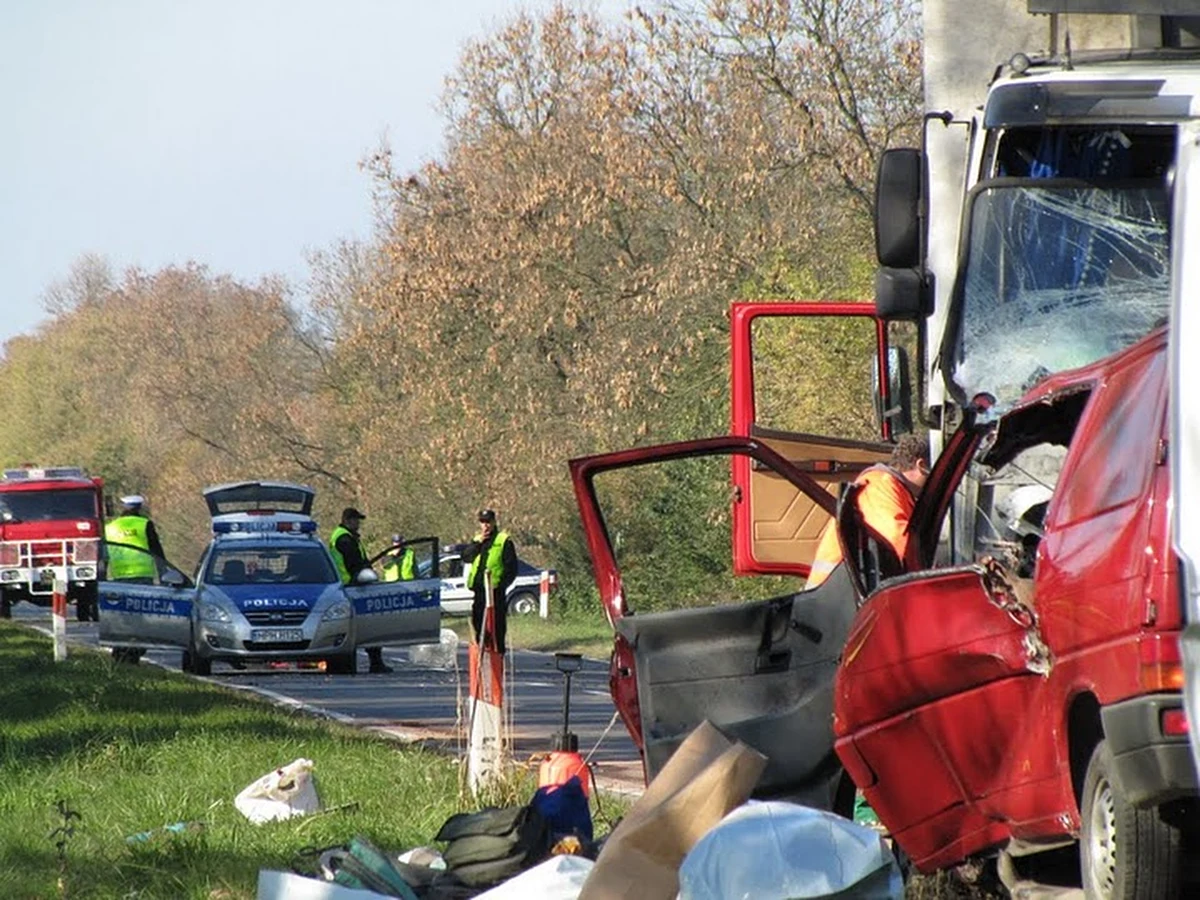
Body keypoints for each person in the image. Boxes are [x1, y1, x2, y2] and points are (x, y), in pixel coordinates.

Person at [804, 434, 931, 590]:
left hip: (845, 591)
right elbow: (899, 540)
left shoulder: (896, 491)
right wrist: (932, 574)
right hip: (834, 595)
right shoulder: (879, 485)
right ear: (922, 466)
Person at [328, 506, 393, 674]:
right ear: (347, 520)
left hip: (348, 586)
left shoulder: (345, 536)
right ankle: (375, 662)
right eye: (356, 520)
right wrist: (365, 575)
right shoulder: (344, 539)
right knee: (370, 624)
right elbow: (355, 564)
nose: (358, 524)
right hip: (353, 586)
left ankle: (370, 662)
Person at [464, 508, 517, 654]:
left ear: (494, 522)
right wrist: (478, 544)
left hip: (495, 591)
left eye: (488, 522)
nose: (485, 525)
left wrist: (501, 585)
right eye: (482, 522)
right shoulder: (477, 540)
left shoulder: (503, 540)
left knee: (497, 624)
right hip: (480, 589)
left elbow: (511, 568)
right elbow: (466, 557)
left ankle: (498, 654)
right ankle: (482, 649)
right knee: (478, 621)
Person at [104, 495, 166, 584]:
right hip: (143, 575)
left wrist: (102, 578)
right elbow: (156, 550)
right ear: (139, 508)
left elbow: (104, 553)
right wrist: (163, 575)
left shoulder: (109, 527)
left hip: (120, 575)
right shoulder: (145, 524)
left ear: (123, 508)